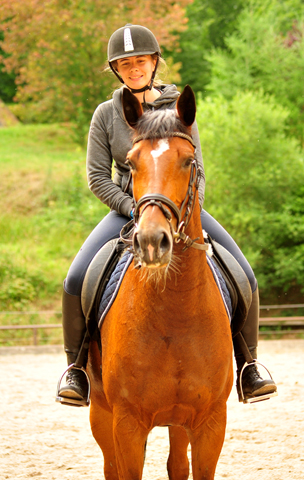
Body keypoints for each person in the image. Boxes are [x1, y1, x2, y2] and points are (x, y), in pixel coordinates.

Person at [56, 24, 277, 406]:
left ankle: (248, 365)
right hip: (129, 211)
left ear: (154, 62)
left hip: (182, 211)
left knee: (244, 273)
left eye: (140, 61)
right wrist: (135, 210)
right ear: (116, 70)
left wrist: (183, 215)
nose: (134, 69)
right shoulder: (107, 115)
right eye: (125, 64)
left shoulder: (181, 109)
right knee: (76, 278)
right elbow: (97, 177)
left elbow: (199, 170)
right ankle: (76, 369)